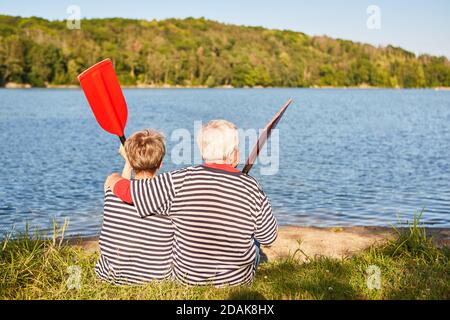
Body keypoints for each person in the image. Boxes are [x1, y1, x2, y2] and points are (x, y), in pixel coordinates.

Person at [106, 120, 278, 287]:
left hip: (187, 279)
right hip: (235, 282)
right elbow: (269, 236)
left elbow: (132, 193)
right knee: (255, 242)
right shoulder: (251, 186)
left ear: (203, 152)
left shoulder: (179, 179)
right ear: (234, 155)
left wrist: (115, 180)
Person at [96, 129, 173, 285]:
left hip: (109, 276)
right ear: (160, 163)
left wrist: (128, 163)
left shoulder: (111, 187)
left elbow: (122, 188)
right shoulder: (167, 194)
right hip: (156, 278)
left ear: (130, 160)